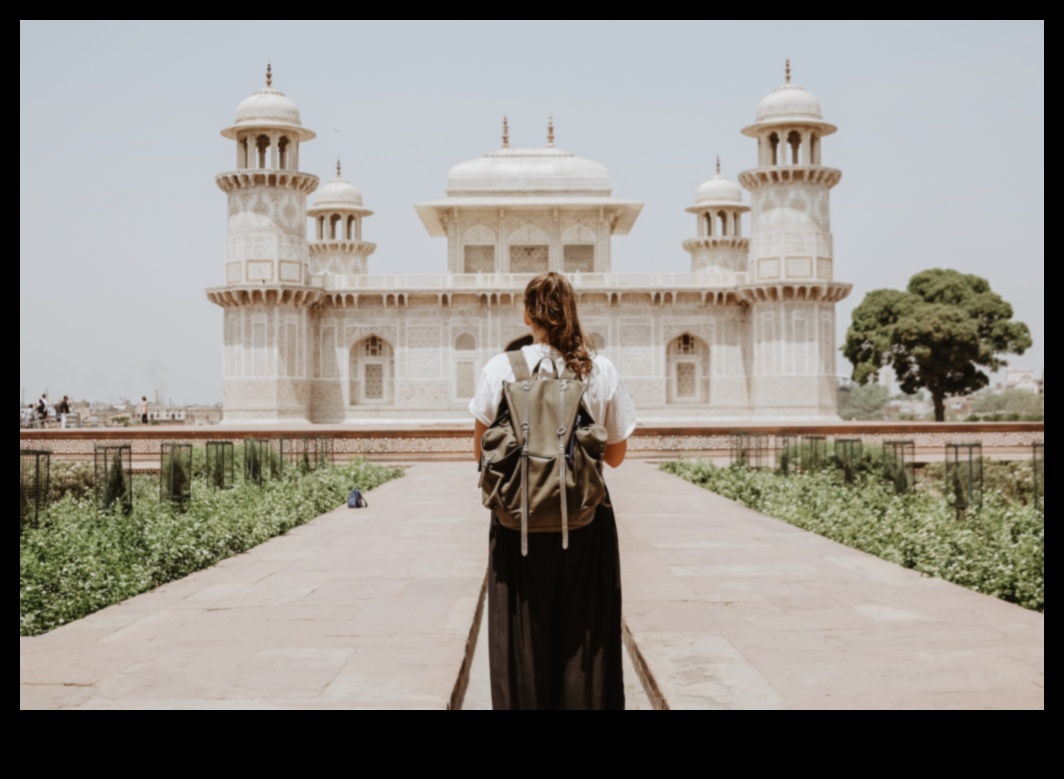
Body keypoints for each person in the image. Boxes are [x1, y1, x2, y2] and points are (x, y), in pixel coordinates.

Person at [470, 272, 637, 710]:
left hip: (517, 525)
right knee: (586, 640)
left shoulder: (499, 368)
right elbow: (616, 457)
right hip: (585, 521)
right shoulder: (599, 369)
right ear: (572, 312)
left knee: (521, 641)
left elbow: (480, 452)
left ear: (527, 314)